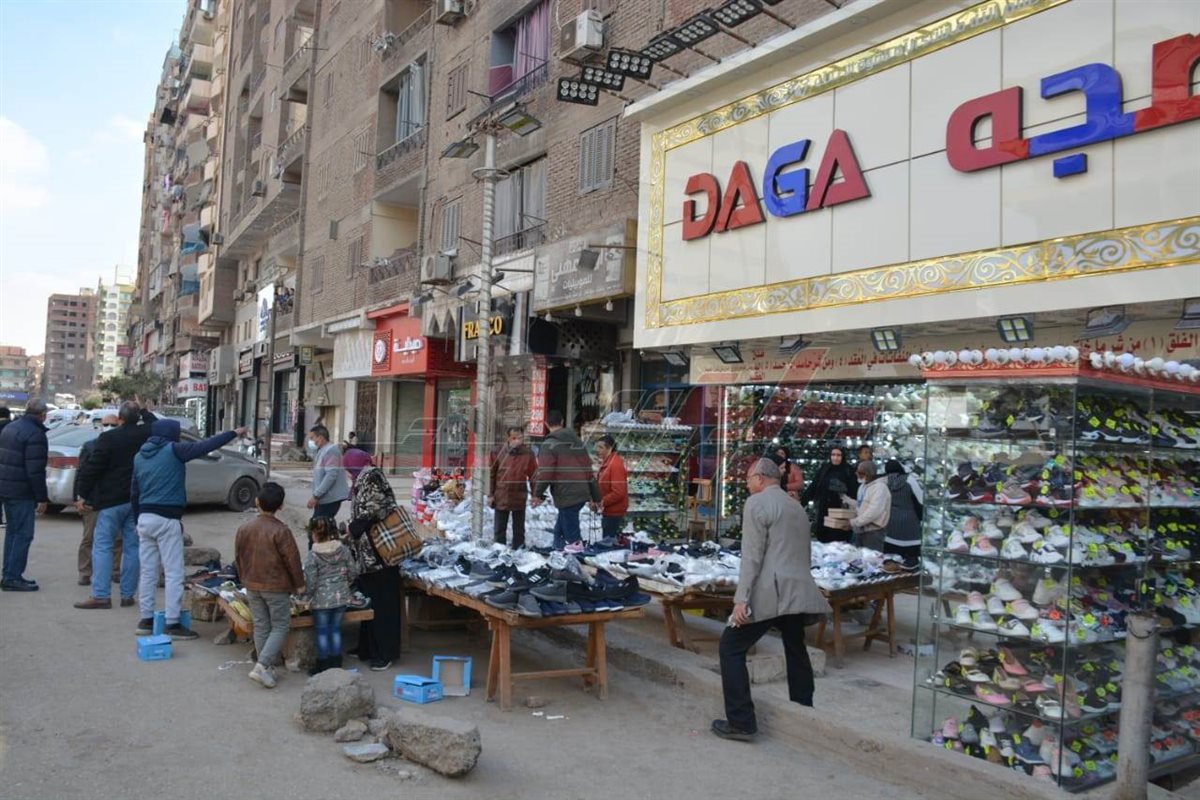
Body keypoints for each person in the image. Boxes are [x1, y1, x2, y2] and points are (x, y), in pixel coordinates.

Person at [712, 458, 831, 742]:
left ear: (761, 478)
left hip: (771, 589)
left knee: (730, 647)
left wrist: (741, 599)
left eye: (749, 478)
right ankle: (804, 711)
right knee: (796, 648)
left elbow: (752, 555)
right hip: (798, 589)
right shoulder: (795, 506)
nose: (747, 483)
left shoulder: (757, 503)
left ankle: (741, 721)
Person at [131, 418, 245, 639]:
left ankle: (145, 620)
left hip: (145, 518)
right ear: (171, 435)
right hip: (166, 519)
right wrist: (233, 433)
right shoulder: (174, 450)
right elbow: (206, 446)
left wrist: (137, 521)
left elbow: (134, 492)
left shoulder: (139, 457)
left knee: (148, 572)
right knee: (174, 573)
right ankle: (172, 624)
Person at [73, 401, 158, 610]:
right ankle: (128, 595)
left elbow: (93, 468)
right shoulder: (145, 434)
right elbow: (155, 424)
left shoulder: (108, 438)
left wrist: (83, 494)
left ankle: (101, 595)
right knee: (132, 547)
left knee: (103, 545)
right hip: (136, 499)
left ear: (119, 419)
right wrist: (144, 410)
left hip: (110, 500)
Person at [234, 482, 305, 688]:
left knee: (261, 625)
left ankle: (266, 667)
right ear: (281, 506)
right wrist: (299, 584)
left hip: (252, 583)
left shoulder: (244, 528)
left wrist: (243, 578)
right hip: (276, 586)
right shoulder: (281, 531)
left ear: (257, 501)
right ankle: (262, 665)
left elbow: (238, 557)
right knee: (281, 625)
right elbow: (293, 560)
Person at [347, 466, 401, 671]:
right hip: (368, 559)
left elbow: (377, 507)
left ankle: (384, 654)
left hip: (382, 556)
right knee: (368, 603)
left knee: (383, 606)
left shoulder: (372, 478)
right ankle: (367, 648)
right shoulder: (362, 481)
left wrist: (358, 524)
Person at [0, 398, 49, 591]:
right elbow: (35, 470)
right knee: (23, 534)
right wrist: (41, 497)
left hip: (7, 487)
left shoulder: (11, 428)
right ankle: (12, 577)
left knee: (13, 533)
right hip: (21, 491)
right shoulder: (35, 434)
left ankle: (8, 574)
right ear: (42, 415)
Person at [532, 409, 600, 549]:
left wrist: (537, 494)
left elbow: (546, 473)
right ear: (562, 422)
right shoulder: (577, 442)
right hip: (581, 492)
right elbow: (588, 470)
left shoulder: (549, 444)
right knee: (560, 529)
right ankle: (558, 550)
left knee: (572, 535)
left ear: (546, 424)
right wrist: (596, 496)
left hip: (566, 493)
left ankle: (576, 554)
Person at [303, 516, 359, 675]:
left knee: (322, 632)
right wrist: (344, 585)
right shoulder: (344, 550)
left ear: (314, 534)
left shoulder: (313, 555)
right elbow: (353, 572)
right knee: (335, 629)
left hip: (321, 600)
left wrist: (306, 596)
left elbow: (311, 581)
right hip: (341, 598)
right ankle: (336, 662)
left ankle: (323, 663)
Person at [74, 414, 121, 587]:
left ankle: (115, 570)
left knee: (117, 538)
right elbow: (81, 473)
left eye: (113, 425)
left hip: (114, 499)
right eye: (106, 424)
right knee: (89, 538)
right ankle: (85, 572)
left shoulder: (122, 446)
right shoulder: (90, 446)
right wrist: (78, 496)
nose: (109, 428)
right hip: (92, 499)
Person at [489, 426, 538, 549]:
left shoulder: (528, 454)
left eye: (520, 438)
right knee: (500, 528)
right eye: (514, 438)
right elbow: (492, 475)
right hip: (502, 494)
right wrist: (490, 494)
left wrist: (536, 495)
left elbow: (533, 476)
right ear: (508, 438)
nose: (517, 441)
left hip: (519, 494)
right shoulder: (497, 452)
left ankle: (518, 551)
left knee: (519, 529)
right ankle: (499, 551)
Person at [800, 445, 856, 544]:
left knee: (839, 537)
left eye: (838, 455)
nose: (835, 458)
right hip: (824, 507)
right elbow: (814, 486)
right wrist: (802, 502)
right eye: (833, 455)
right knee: (823, 535)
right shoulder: (825, 469)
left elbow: (853, 491)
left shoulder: (848, 470)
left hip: (840, 509)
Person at [882, 459, 923, 567]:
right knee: (911, 550)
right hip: (910, 518)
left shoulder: (884, 481)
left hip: (891, 518)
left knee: (892, 550)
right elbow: (921, 499)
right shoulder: (909, 480)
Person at [306, 425, 349, 520]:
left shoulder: (331, 450)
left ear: (320, 438)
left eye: (312, 438)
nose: (310, 441)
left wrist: (316, 495)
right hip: (323, 498)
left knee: (320, 525)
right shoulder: (321, 450)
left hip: (329, 499)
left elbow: (331, 475)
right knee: (320, 525)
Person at [847, 459, 890, 552]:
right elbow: (860, 505)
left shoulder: (880, 487)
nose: (858, 475)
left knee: (871, 558)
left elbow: (874, 511)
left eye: (861, 473)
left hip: (873, 532)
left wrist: (854, 522)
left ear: (869, 473)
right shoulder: (862, 486)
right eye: (857, 472)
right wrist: (846, 499)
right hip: (859, 530)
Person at [594, 434, 628, 540]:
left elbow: (618, 492)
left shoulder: (615, 465)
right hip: (608, 510)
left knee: (608, 541)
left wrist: (601, 502)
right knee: (607, 539)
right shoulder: (608, 462)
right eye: (597, 447)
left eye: (601, 447)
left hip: (614, 511)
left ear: (609, 448)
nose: (597, 450)